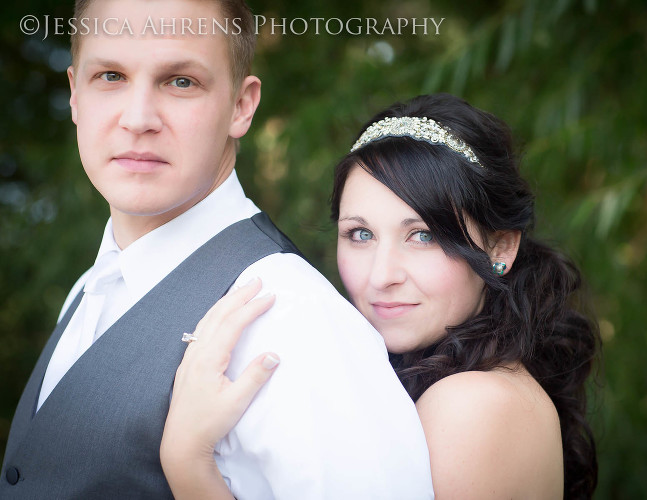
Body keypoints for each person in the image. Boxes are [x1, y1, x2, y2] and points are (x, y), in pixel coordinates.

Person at [0, 0, 434, 498]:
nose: (138, 118)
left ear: (241, 106)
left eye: (181, 81)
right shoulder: (91, 286)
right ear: (75, 94)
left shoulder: (289, 317)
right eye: (111, 76)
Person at [163, 93, 601, 499]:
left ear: (500, 247)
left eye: (423, 236)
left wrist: (188, 462)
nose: (381, 275)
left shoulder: (472, 403)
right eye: (361, 234)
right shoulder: (469, 381)